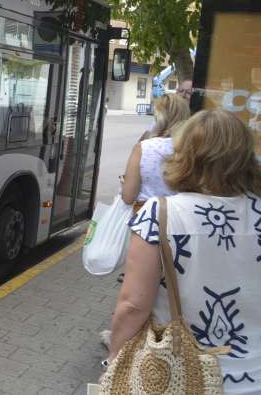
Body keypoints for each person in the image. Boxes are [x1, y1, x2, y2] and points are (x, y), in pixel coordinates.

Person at [106, 109, 261, 393]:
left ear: (186, 155)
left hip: (180, 376)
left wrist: (115, 359)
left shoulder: (161, 214)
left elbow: (133, 306)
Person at [120, 94, 191, 213]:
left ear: (159, 118)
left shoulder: (143, 148)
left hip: (145, 219)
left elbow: (128, 197)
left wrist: (124, 183)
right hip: (180, 218)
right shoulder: (194, 149)